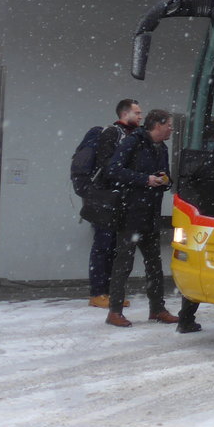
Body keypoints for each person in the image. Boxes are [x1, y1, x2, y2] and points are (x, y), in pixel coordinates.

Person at [104, 109, 179, 328]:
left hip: (150, 214)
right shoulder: (132, 142)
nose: (172, 129)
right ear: (157, 125)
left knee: (154, 264)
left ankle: (157, 309)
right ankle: (114, 311)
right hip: (130, 214)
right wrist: (144, 179)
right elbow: (113, 170)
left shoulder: (161, 148)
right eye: (169, 125)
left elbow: (163, 175)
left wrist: (166, 180)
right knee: (123, 264)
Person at [85, 98, 142, 309]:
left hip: (121, 199)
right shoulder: (112, 133)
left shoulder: (133, 135)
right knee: (103, 245)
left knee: (115, 248)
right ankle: (98, 292)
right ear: (124, 114)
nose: (140, 116)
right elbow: (107, 167)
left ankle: (110, 292)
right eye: (137, 112)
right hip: (107, 199)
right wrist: (126, 174)